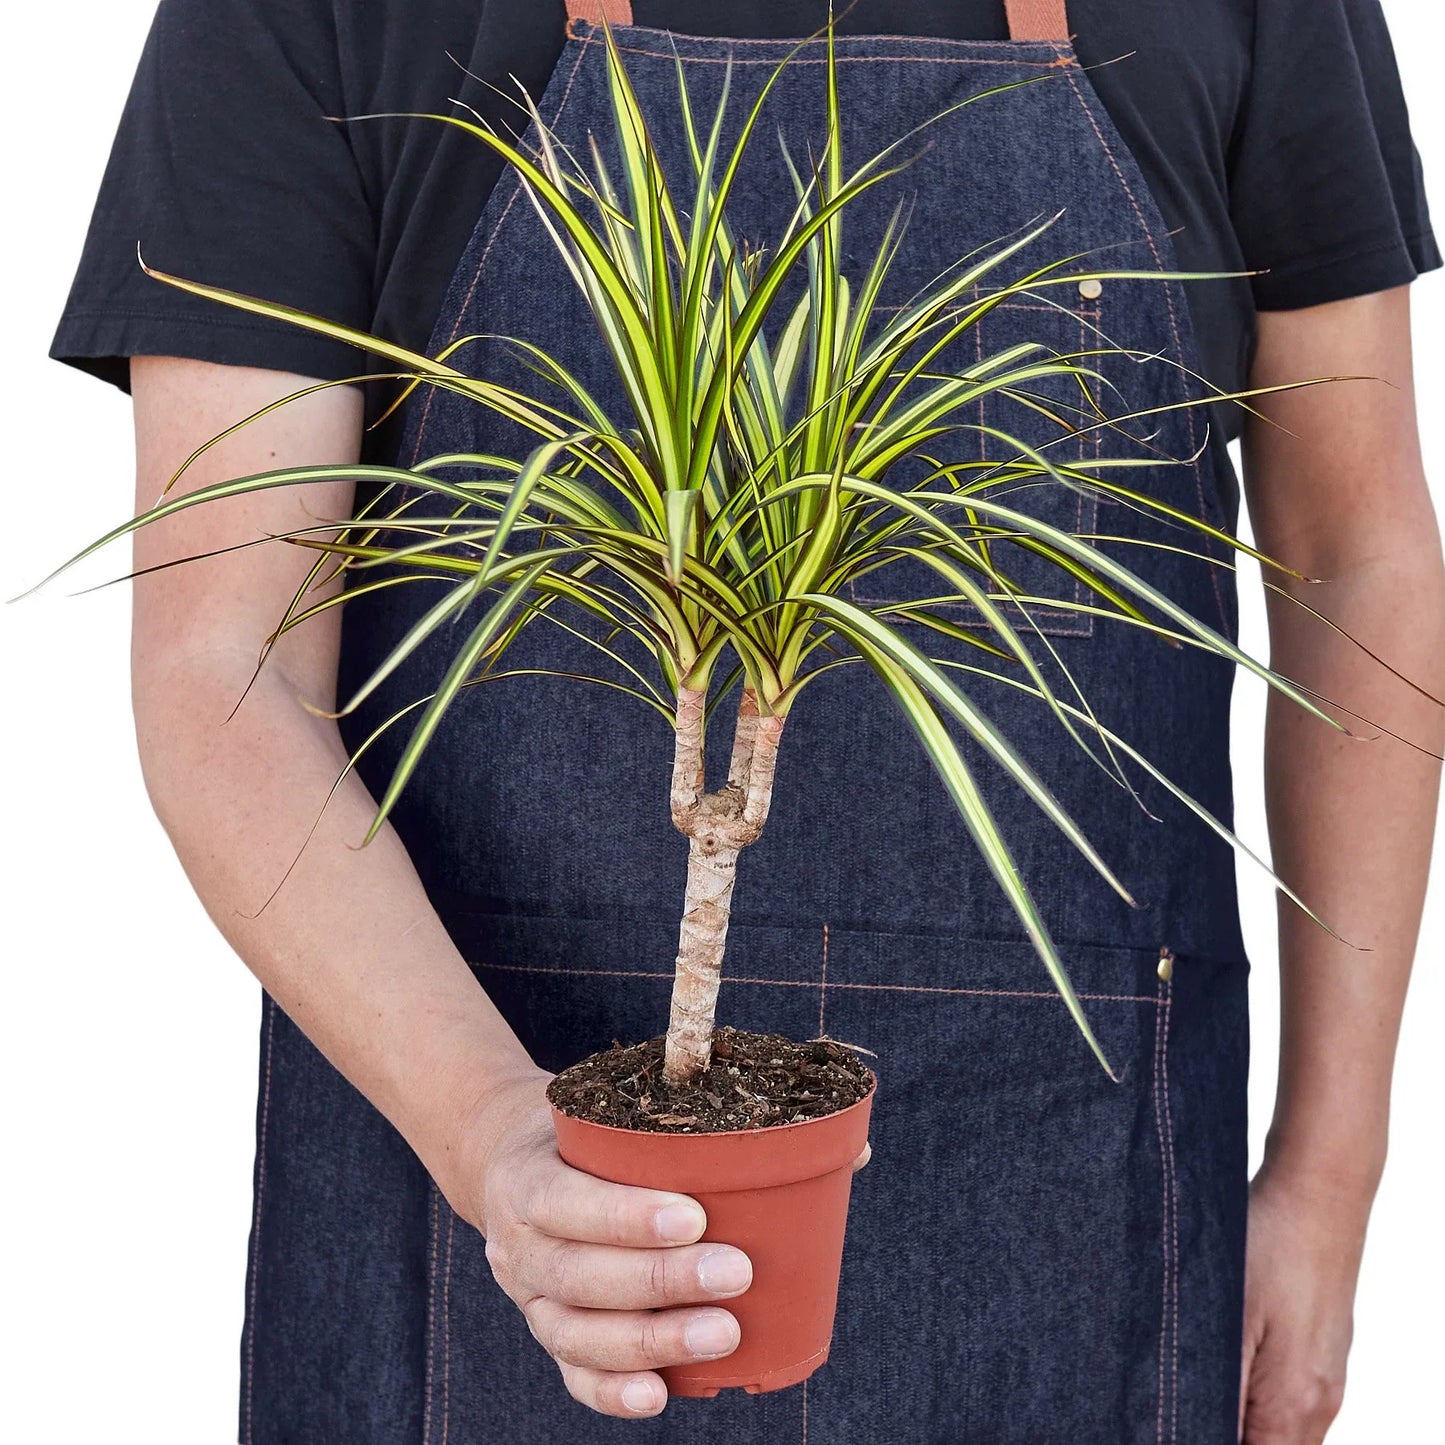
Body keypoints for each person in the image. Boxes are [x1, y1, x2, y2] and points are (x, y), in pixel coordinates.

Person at [50, 1, 1445, 1440]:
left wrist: (1330, 1179)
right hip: (488, 1208)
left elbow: (1357, 559)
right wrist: (496, 1140)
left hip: (1079, 1195)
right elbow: (225, 662)